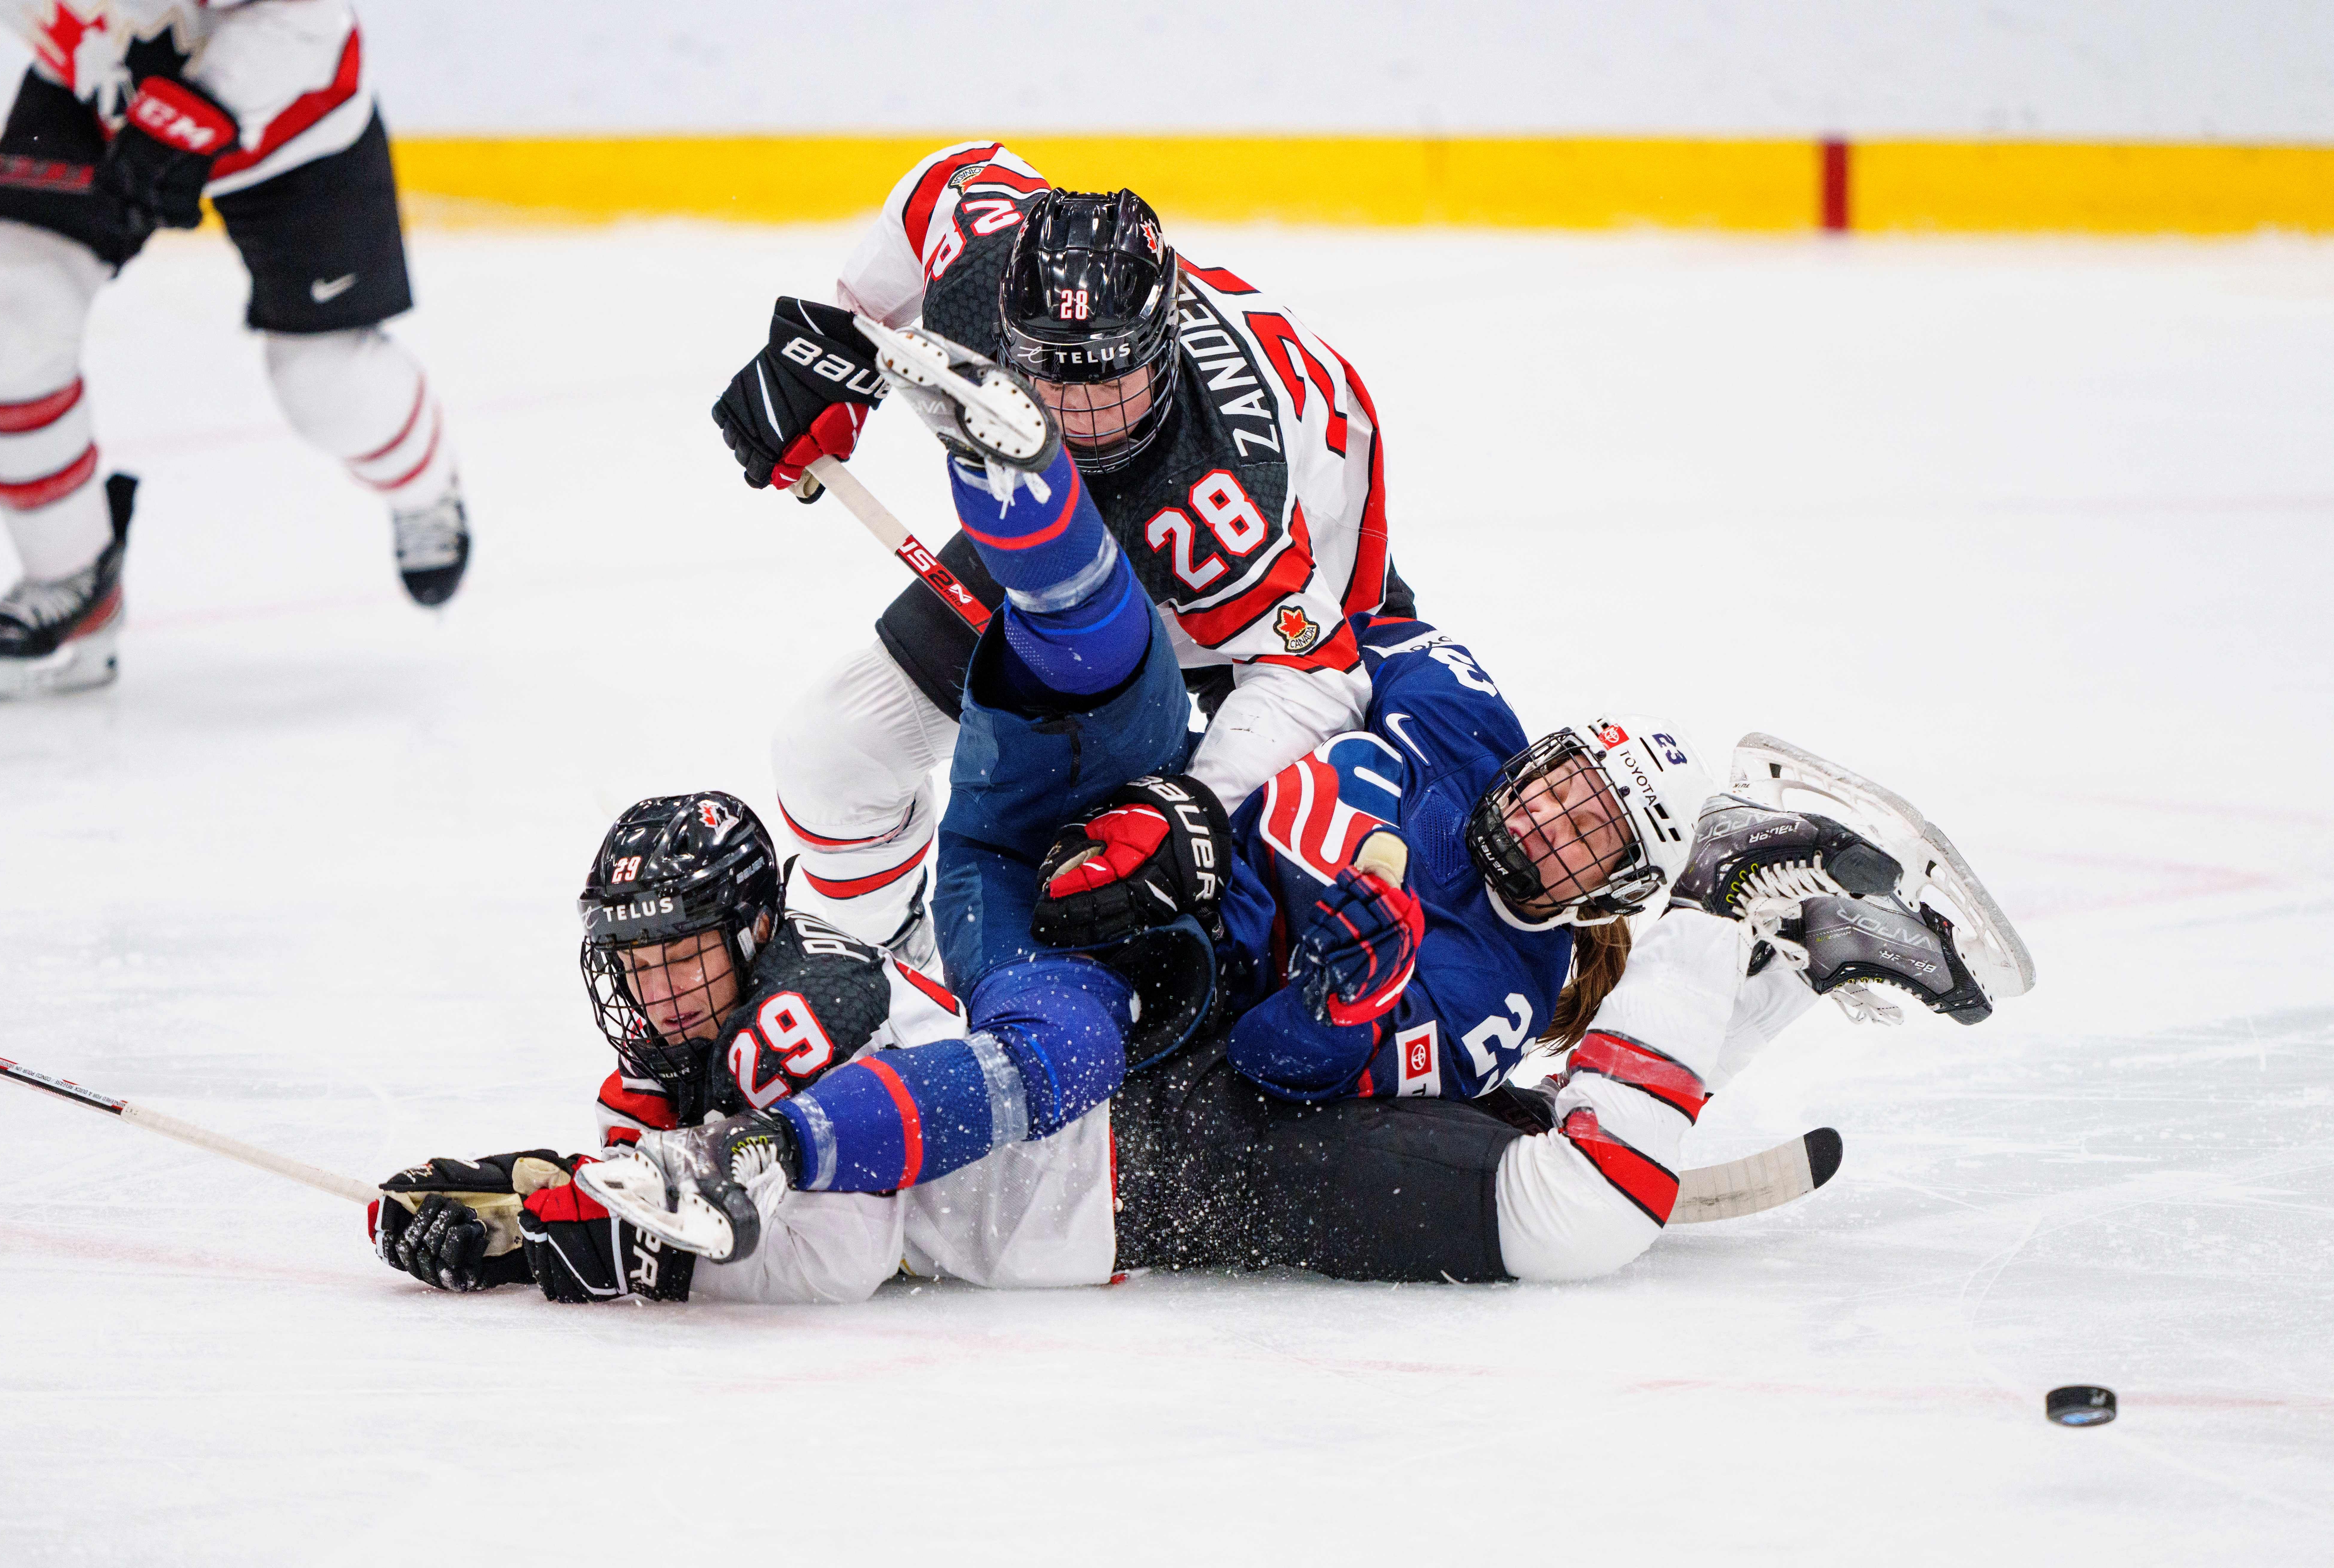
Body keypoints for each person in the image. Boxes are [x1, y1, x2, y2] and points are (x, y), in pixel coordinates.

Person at [549, 341, 2007, 1287]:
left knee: (1557, 1210)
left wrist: (1341, 990)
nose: (1545, 820)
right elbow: (1325, 626)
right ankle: (1769, 941)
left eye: (1583, 842)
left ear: (1598, 898)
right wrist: (1203, 790)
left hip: (1163, 1031)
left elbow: (1284, 1067)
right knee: (932, 740)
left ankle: (1747, 930)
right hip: (1129, 863)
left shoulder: (1498, 987)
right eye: (1563, 784)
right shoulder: (1463, 711)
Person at [370, 778, 1982, 1304]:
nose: (657, 994)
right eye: (635, 964)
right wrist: (530, 1200)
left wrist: (602, 1255)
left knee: (1575, 1218)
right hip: (1169, 1140)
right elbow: (708, 1174)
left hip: (1165, 1168)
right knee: (1553, 1159)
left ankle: (1714, 898)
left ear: (745, 938)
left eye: (679, 960)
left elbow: (831, 1247)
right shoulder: (746, 1033)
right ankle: (1793, 958)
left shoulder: (804, 1015)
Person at [710, 143, 1407, 959]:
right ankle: (894, 977)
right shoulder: (982, 276)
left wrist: (1190, 807)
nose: (1077, 417)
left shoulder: (1224, 497)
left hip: (1296, 574)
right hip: (1084, 525)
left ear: (1164, 345)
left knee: (1244, 892)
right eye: (1049, 376)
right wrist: (841, 345)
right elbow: (951, 177)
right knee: (833, 752)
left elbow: (1316, 672)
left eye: (1107, 382)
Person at [0, 0, 469, 699]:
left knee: (325, 381)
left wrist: (192, 114)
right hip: (97, 95)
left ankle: (424, 487)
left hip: (293, 122)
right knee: (5, 316)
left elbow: (308, 14)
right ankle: (71, 575)